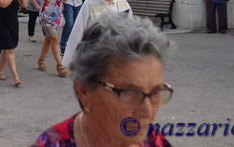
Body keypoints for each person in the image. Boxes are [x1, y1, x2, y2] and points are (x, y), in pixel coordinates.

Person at [31, 12, 173, 147]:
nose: (148, 112)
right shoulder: (52, 143)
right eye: (130, 93)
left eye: (156, 93)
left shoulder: (154, 140)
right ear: (84, 91)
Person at [63, 0, 132, 68]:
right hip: (95, 56)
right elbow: (78, 30)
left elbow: (130, 28)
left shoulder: (122, 2)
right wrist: (69, 61)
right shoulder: (90, 3)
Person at [37, 0, 68, 78]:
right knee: (54, 39)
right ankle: (60, 66)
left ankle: (41, 60)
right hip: (45, 16)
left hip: (57, 17)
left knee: (48, 40)